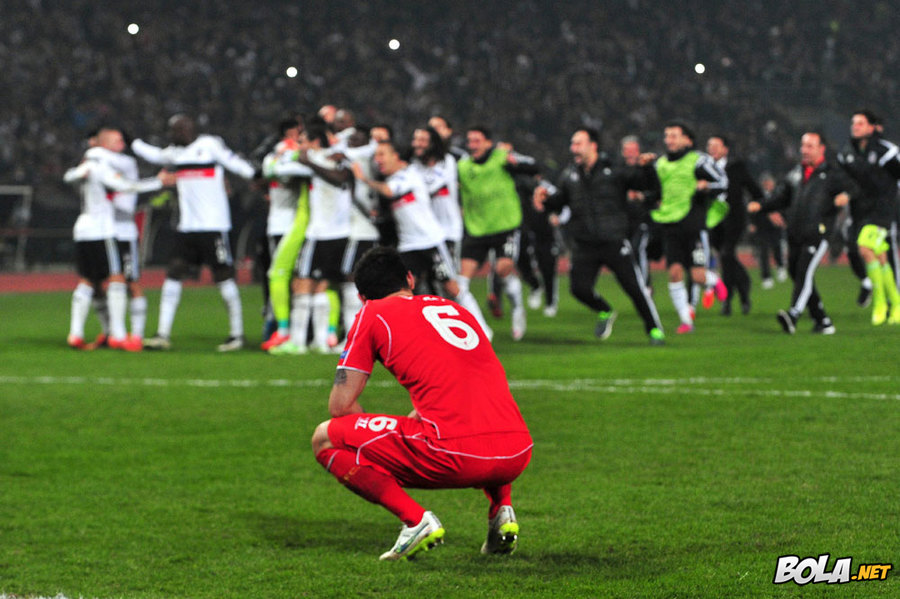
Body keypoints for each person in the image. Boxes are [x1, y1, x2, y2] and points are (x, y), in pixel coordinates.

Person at [310, 246, 532, 561]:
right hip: (517, 452)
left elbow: (341, 407)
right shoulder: (454, 308)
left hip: (456, 455)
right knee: (472, 413)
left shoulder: (372, 313)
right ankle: (501, 511)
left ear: (362, 297)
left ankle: (415, 521)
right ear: (410, 280)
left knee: (326, 436)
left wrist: (377, 453)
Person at [132, 115, 255, 351]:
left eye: (179, 129)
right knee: (173, 275)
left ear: (191, 129)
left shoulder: (210, 145)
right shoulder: (175, 153)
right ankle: (162, 334)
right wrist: (132, 142)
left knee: (223, 277)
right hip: (187, 227)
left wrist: (255, 175)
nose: (176, 134)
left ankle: (236, 334)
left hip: (213, 226)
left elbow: (233, 162)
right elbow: (154, 154)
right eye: (173, 130)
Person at [534, 127, 665, 344]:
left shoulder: (613, 170)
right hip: (584, 244)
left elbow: (651, 189)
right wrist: (545, 200)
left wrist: (649, 170)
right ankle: (604, 310)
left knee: (635, 288)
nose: (572, 148)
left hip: (613, 241)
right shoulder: (569, 175)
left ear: (592, 145)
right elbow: (558, 203)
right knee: (578, 289)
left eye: (578, 143)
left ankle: (654, 330)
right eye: (572, 143)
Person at [352, 139, 493, 338]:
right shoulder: (392, 179)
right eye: (376, 156)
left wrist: (364, 179)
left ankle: (483, 332)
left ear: (396, 156)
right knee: (401, 292)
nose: (378, 160)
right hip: (408, 246)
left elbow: (391, 190)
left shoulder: (409, 175)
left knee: (452, 288)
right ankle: (410, 336)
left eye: (382, 155)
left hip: (431, 242)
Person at [63, 127, 172, 351]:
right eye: (116, 140)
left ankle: (76, 333)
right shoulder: (103, 165)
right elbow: (127, 186)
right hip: (103, 230)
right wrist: (158, 181)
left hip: (82, 228)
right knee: (117, 278)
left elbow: (68, 176)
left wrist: (80, 171)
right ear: (103, 144)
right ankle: (119, 335)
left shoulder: (87, 163)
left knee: (88, 280)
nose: (121, 143)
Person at [748, 131, 860, 335]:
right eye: (803, 145)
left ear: (821, 149)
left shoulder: (832, 173)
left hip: (818, 234)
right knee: (797, 273)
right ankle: (823, 321)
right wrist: (762, 206)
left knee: (804, 272)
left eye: (809, 146)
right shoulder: (796, 173)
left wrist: (846, 195)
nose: (804, 150)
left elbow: (855, 187)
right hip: (795, 233)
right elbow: (782, 198)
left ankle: (794, 315)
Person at [457, 126, 540, 340]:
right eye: (470, 140)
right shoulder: (463, 167)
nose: (472, 145)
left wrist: (517, 162)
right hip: (477, 229)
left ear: (487, 143)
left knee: (503, 270)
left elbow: (533, 167)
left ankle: (517, 309)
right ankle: (479, 328)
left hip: (505, 227)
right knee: (460, 282)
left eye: (477, 140)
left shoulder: (502, 157)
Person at [646, 122, 729, 333]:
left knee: (697, 276)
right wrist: (646, 197)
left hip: (694, 226)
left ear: (686, 140)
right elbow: (655, 190)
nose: (669, 140)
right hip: (670, 225)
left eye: (674, 136)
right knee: (674, 273)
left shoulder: (699, 161)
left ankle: (714, 280)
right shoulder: (660, 164)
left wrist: (706, 186)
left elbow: (723, 182)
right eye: (667, 136)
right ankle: (686, 321)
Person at [836, 110, 900, 324]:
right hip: (859, 212)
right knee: (880, 257)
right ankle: (897, 303)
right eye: (854, 122)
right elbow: (842, 179)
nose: (855, 126)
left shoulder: (885, 151)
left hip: (882, 211)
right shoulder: (847, 153)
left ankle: (880, 303)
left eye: (861, 123)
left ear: (872, 127)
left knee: (864, 248)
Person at [705, 135, 765, 316]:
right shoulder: (703, 168)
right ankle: (744, 287)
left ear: (725, 149)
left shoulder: (736, 168)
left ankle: (727, 301)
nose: (712, 149)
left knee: (726, 254)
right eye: (710, 146)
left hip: (734, 220)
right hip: (713, 222)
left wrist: (757, 212)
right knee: (727, 258)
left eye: (716, 146)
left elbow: (756, 191)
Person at [750, 172, 788, 289]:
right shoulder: (758, 196)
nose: (768, 184)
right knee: (764, 253)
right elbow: (752, 209)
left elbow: (784, 208)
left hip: (775, 228)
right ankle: (766, 277)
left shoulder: (778, 195)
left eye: (769, 182)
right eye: (766, 182)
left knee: (777, 248)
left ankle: (780, 267)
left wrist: (783, 219)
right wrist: (753, 223)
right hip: (762, 227)